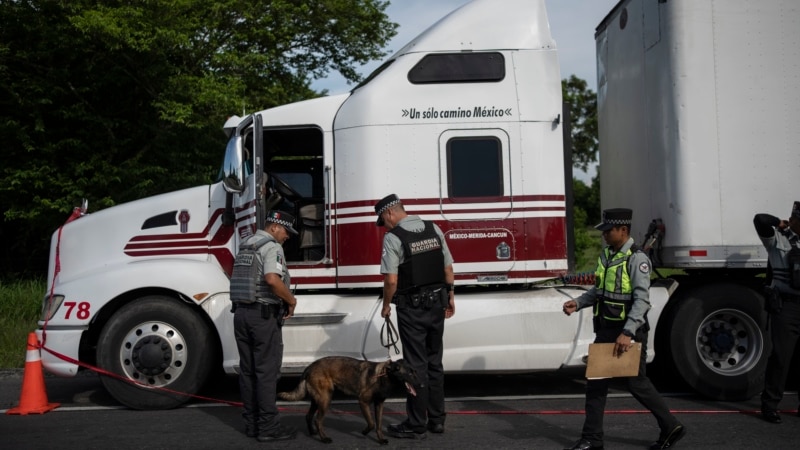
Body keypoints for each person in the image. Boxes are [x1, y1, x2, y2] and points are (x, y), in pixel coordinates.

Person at [562, 208, 685, 450]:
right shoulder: (607, 255)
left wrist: (627, 332)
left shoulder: (637, 259)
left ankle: (671, 426)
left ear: (623, 230)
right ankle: (592, 440)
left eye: (609, 231)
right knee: (596, 382)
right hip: (606, 329)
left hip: (627, 332)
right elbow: (599, 291)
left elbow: (642, 301)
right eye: (604, 231)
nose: (605, 235)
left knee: (636, 383)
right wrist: (578, 303)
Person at [375, 194, 456, 439]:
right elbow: (448, 268)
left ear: (389, 213)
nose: (385, 226)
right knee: (435, 362)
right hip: (437, 304)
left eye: (383, 220)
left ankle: (417, 423)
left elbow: (391, 280)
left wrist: (386, 305)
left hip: (412, 308)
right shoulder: (434, 229)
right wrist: (451, 295)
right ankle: (437, 420)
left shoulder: (394, 237)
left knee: (415, 366)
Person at [229, 210, 299, 442]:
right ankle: (268, 428)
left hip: (241, 314)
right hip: (262, 316)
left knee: (248, 373)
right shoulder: (271, 247)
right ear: (274, 227)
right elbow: (272, 279)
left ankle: (252, 424)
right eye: (286, 231)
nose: (287, 236)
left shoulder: (246, 244)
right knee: (266, 373)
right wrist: (291, 300)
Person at [754, 201, 800, 424]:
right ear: (793, 220)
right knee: (781, 357)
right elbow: (759, 219)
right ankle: (770, 405)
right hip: (786, 306)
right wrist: (779, 223)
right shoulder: (777, 240)